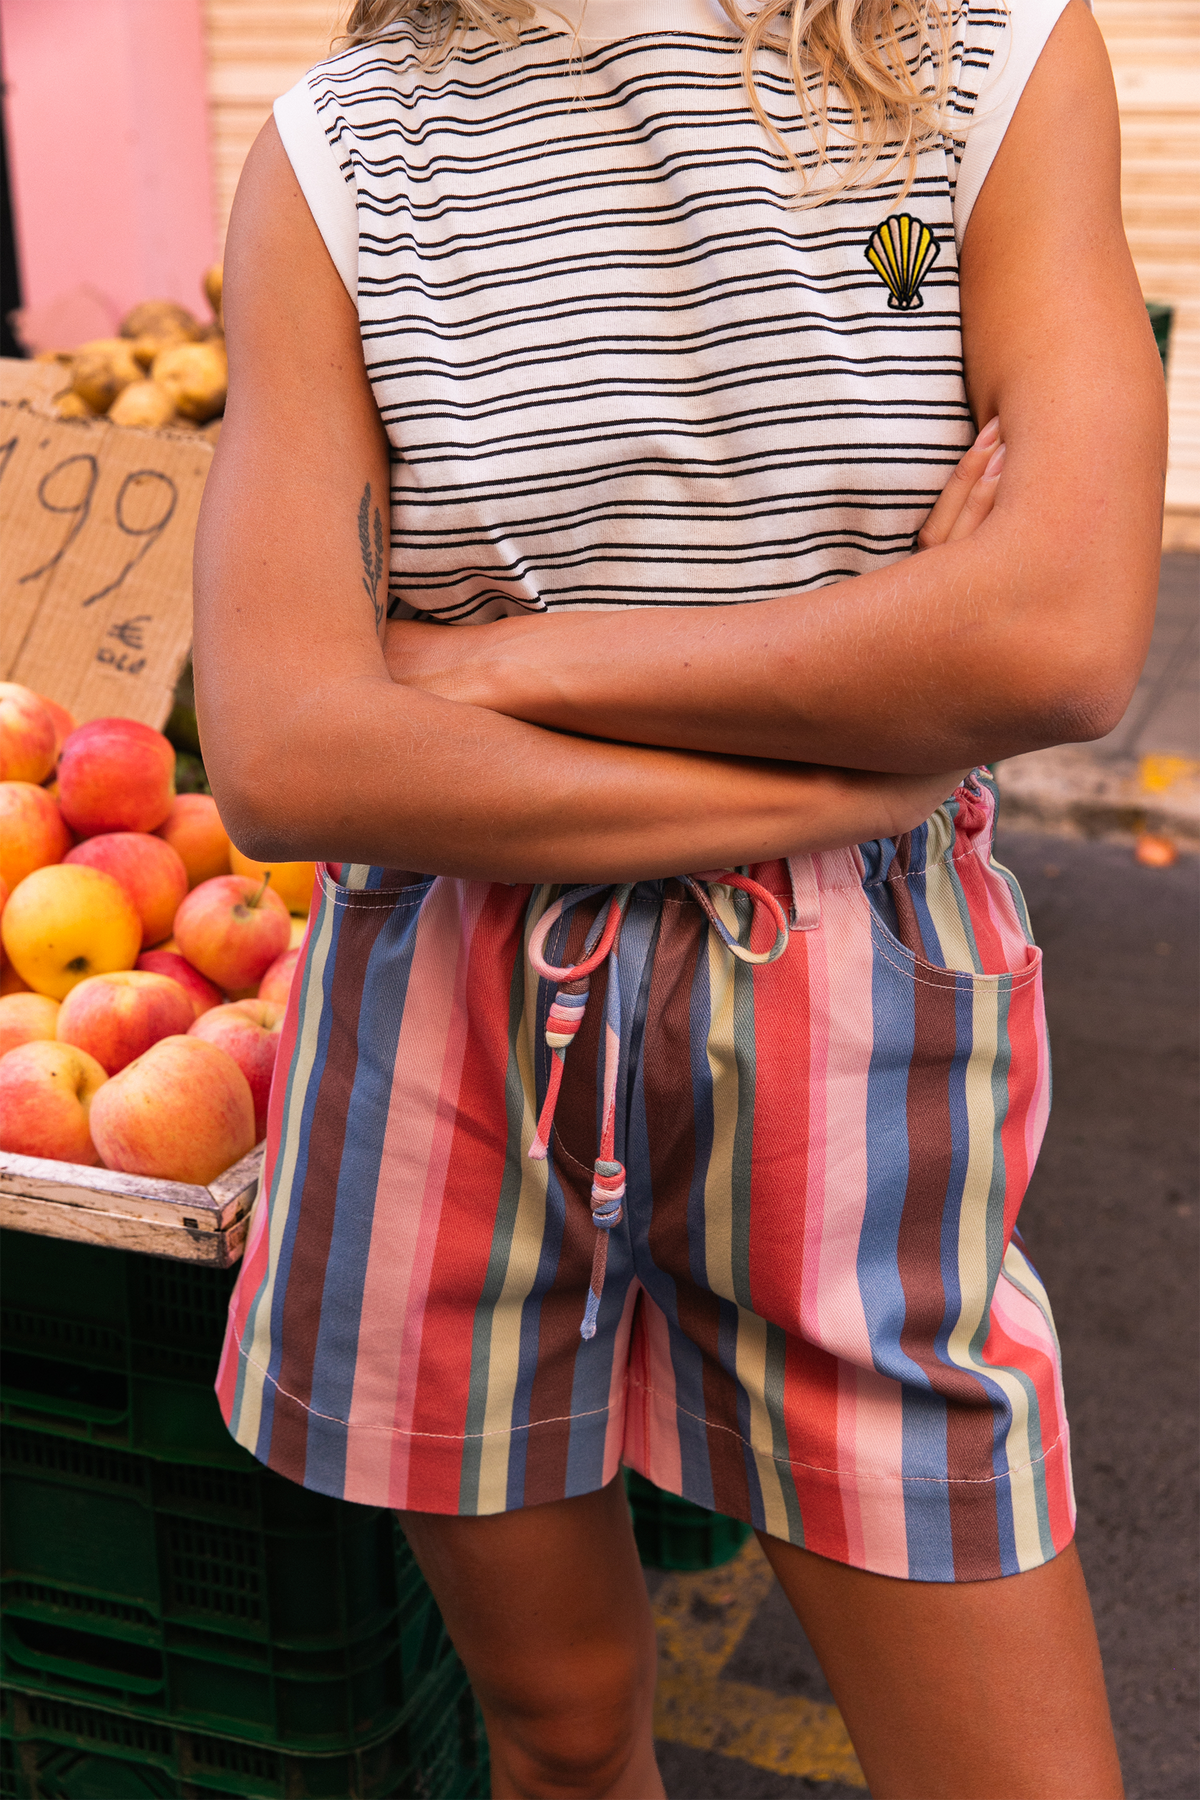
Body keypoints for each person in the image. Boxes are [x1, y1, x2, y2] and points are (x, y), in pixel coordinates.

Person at [198, 0, 1164, 1789]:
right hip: (444, 1028)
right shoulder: (339, 157)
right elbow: (292, 754)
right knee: (559, 1727)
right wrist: (865, 748)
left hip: (851, 1023)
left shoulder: (989, 62)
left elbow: (1056, 633)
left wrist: (502, 667)